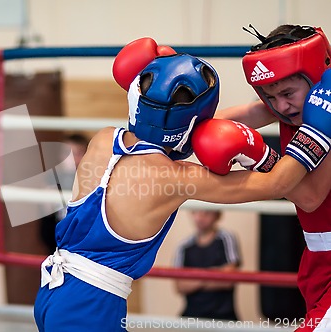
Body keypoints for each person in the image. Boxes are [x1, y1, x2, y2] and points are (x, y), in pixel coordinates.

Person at [33, 37, 331, 332]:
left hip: (51, 292)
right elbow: (278, 184)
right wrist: (318, 128)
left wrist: (277, 104)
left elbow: (182, 128)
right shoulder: (176, 178)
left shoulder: (103, 140)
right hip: (91, 304)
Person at [215, 24, 331, 331]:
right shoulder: (290, 107)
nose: (280, 106)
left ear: (316, 76)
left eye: (287, 93)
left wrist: (261, 157)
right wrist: (169, 123)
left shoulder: (327, 113)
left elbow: (310, 197)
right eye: (270, 96)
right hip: (317, 261)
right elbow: (233, 118)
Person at [174, 210, 241, 321]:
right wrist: (214, 274)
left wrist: (194, 278)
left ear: (217, 215)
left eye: (207, 213)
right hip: (192, 316)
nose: (200, 218)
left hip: (223, 317)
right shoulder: (184, 246)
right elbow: (180, 286)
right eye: (197, 212)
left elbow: (229, 280)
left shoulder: (226, 238)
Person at [39, 133, 89, 253]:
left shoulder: (94, 183)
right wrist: (47, 210)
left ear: (87, 156)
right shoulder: (52, 180)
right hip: (57, 247)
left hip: (84, 250)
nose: (70, 159)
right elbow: (45, 233)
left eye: (77, 153)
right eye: (66, 153)